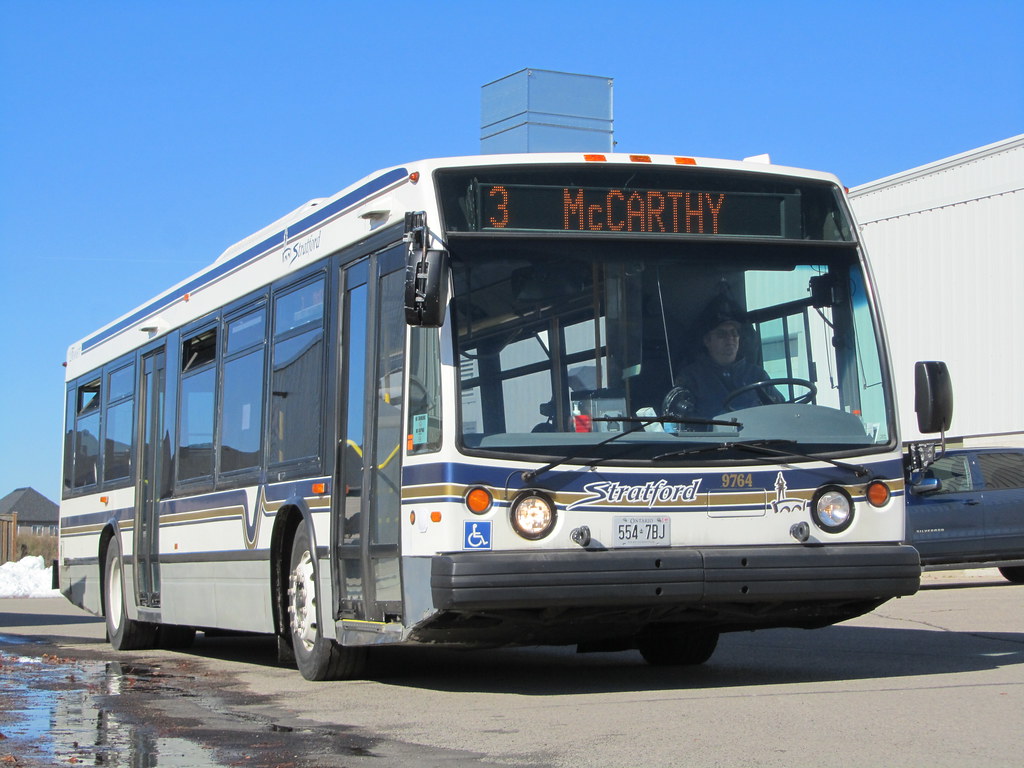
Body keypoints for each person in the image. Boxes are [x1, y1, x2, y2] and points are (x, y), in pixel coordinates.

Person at [663, 298, 783, 424]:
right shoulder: (691, 378)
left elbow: (780, 411)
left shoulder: (758, 375)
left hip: (758, 442)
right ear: (707, 341)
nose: (730, 338)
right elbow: (682, 424)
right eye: (722, 334)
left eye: (734, 333)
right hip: (712, 443)